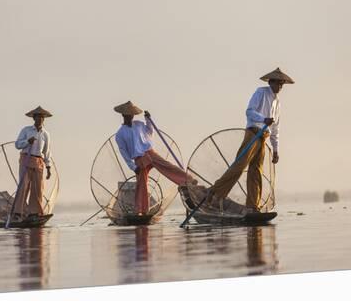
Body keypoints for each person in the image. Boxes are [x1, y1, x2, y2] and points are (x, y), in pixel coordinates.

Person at [205, 68, 294, 212]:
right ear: (271, 82)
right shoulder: (261, 92)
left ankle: (253, 205)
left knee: (256, 172)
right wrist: (263, 119)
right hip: (253, 133)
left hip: (263, 137)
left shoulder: (277, 103)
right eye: (278, 83)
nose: (280, 87)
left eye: (282, 84)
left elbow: (276, 128)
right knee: (240, 166)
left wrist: (276, 149)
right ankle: (214, 192)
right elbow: (250, 111)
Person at [113, 101, 197, 215]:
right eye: (128, 114)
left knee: (167, 166)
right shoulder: (120, 134)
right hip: (139, 158)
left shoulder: (139, 124)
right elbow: (124, 153)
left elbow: (150, 132)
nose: (130, 116)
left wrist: (148, 119)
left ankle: (188, 180)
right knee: (141, 183)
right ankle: (141, 210)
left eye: (131, 114)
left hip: (150, 152)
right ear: (123, 115)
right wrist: (133, 166)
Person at [13, 106, 53, 219]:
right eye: (37, 117)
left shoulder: (46, 134)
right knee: (24, 185)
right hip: (26, 158)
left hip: (39, 161)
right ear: (33, 118)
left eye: (41, 117)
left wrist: (48, 167)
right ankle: (18, 212)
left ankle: (34, 213)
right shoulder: (26, 130)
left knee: (38, 187)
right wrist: (27, 141)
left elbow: (47, 152)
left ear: (44, 119)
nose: (39, 119)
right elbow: (17, 144)